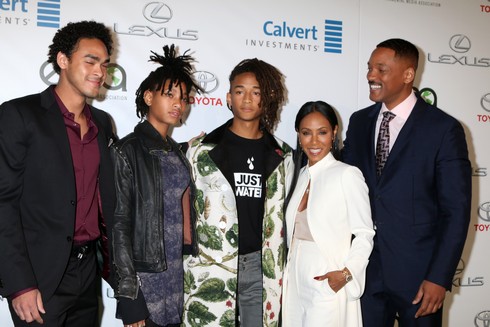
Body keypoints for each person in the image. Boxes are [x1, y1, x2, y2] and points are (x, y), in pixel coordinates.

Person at [342, 38, 472, 326]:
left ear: (408, 75)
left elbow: (456, 211)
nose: (371, 76)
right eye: (369, 68)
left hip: (420, 279)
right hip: (365, 274)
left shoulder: (443, 129)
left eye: (381, 69)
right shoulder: (359, 121)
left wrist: (439, 277)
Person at [0, 21, 116, 326]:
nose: (100, 72)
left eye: (105, 64)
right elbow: (4, 204)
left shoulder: (102, 124)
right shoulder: (20, 115)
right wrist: (20, 283)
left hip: (88, 272)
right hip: (38, 276)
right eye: (90, 61)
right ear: (62, 60)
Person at [182, 58, 294, 326]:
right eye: (240, 90)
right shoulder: (200, 151)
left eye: (256, 92)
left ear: (266, 99)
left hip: (261, 269)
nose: (247, 99)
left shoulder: (283, 155)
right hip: (212, 267)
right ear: (229, 97)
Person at [111, 44, 202, 327]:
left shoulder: (175, 152)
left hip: (175, 280)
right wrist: (130, 300)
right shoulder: (127, 151)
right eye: (169, 94)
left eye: (183, 97)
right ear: (149, 97)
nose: (178, 103)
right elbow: (118, 226)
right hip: (144, 285)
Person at [281, 101, 374, 326]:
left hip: (327, 277)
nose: (314, 141)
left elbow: (365, 233)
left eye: (322, 132)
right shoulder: (298, 174)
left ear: (334, 133)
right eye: (306, 133)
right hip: (293, 278)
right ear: (298, 135)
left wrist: (346, 273)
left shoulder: (347, 174)